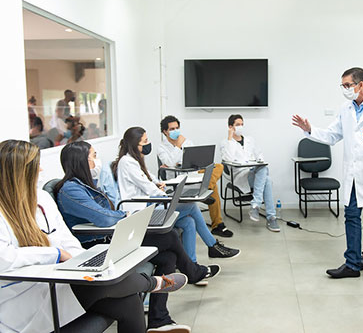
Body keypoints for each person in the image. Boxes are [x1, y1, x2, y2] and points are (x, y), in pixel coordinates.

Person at [0, 140, 188, 333]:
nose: (41, 170)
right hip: (23, 299)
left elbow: (66, 238)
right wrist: (56, 254)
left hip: (60, 280)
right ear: (19, 174)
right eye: (35, 166)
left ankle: (154, 289)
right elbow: (4, 259)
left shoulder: (42, 199)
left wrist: (81, 260)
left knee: (129, 301)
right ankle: (153, 283)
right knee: (103, 285)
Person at [55, 142, 219, 331]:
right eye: (93, 155)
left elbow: (105, 215)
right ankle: (192, 273)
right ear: (80, 161)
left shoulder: (86, 185)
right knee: (169, 238)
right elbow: (104, 217)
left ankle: (159, 319)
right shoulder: (70, 190)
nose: (97, 160)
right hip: (101, 244)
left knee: (168, 256)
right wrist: (125, 216)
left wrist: (124, 217)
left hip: (114, 236)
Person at [292, 67, 363, 279]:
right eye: (342, 85)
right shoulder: (346, 108)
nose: (344, 89)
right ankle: (352, 263)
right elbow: (333, 135)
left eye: (347, 85)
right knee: (351, 215)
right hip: (353, 174)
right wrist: (310, 129)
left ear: (361, 85)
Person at [111, 127, 240, 263]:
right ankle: (213, 246)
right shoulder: (127, 162)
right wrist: (164, 194)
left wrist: (158, 183)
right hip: (141, 213)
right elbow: (147, 187)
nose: (148, 143)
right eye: (145, 141)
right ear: (134, 144)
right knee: (191, 206)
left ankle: (192, 264)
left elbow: (148, 177)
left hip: (150, 205)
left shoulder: (134, 159)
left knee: (189, 222)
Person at [158, 115, 233, 238]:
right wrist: (178, 146)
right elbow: (170, 163)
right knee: (213, 189)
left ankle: (207, 186)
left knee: (218, 166)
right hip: (178, 181)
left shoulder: (187, 142)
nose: (175, 131)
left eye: (177, 128)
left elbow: (194, 159)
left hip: (193, 173)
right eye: (172, 129)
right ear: (165, 132)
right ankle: (217, 224)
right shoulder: (161, 147)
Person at [220, 114, 280, 233]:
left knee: (264, 171)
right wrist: (230, 137)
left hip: (254, 173)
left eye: (242, 124)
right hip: (240, 176)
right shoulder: (225, 142)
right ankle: (270, 217)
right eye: (237, 125)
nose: (240, 127)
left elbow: (260, 155)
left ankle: (256, 206)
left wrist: (258, 161)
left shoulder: (250, 140)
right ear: (230, 127)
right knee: (267, 180)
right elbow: (228, 158)